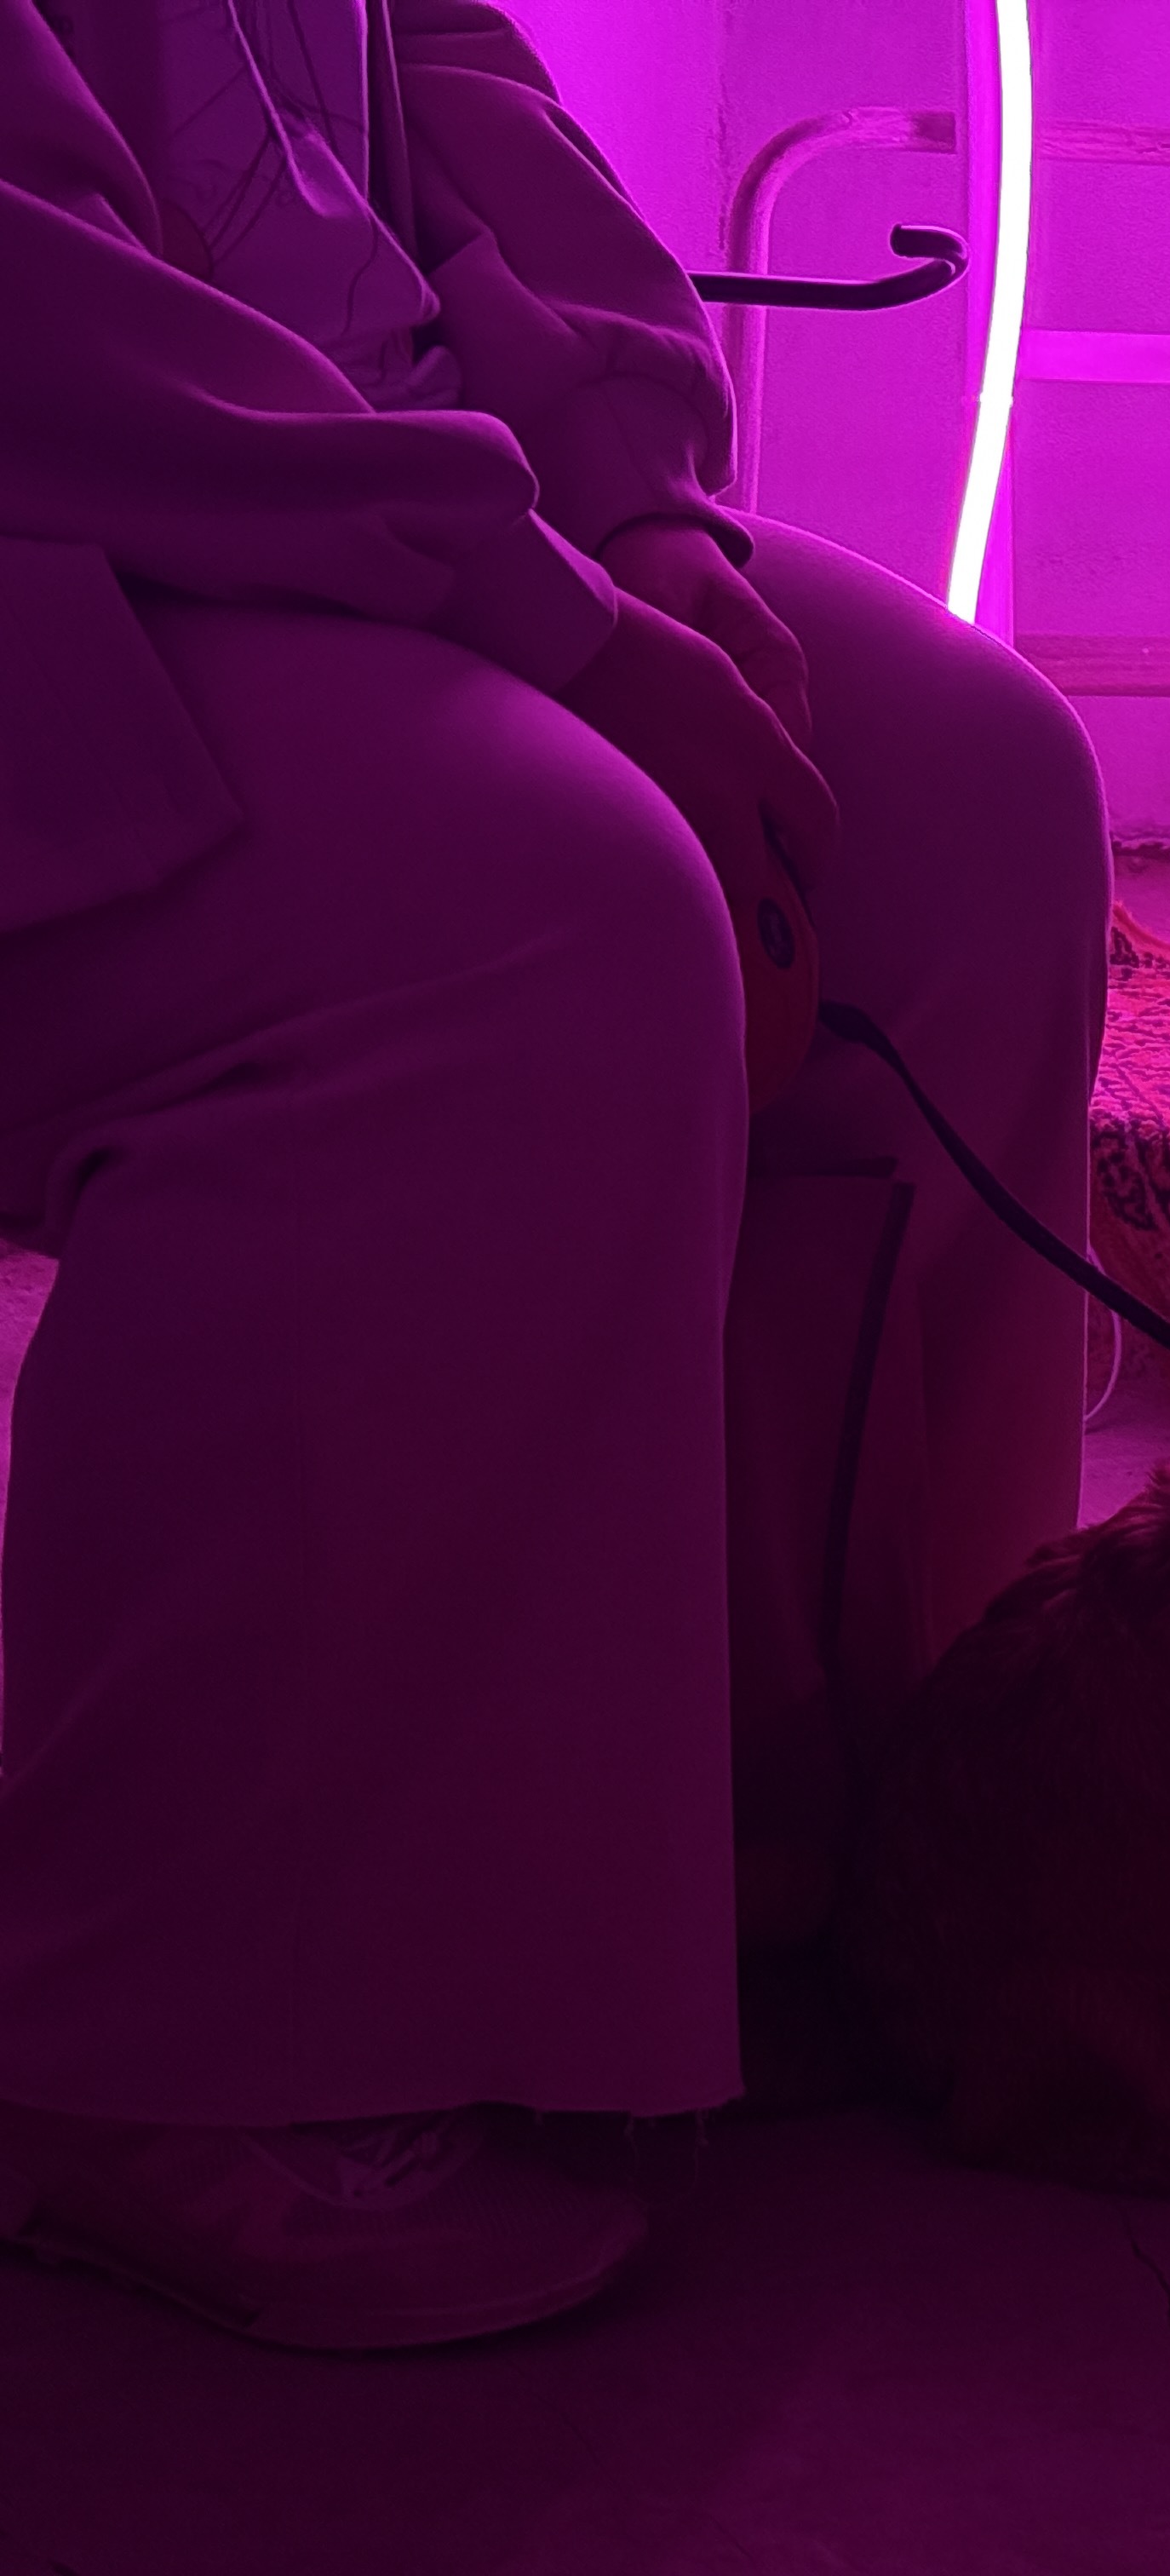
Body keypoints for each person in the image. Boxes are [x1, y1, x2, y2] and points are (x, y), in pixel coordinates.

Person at [0, 0, 1108, 2348]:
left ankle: (843, 1843)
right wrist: (541, 617)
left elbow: (449, 86)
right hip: (72, 532)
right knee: (542, 914)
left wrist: (637, 508)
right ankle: (154, 2040)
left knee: (974, 807)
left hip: (364, 495)